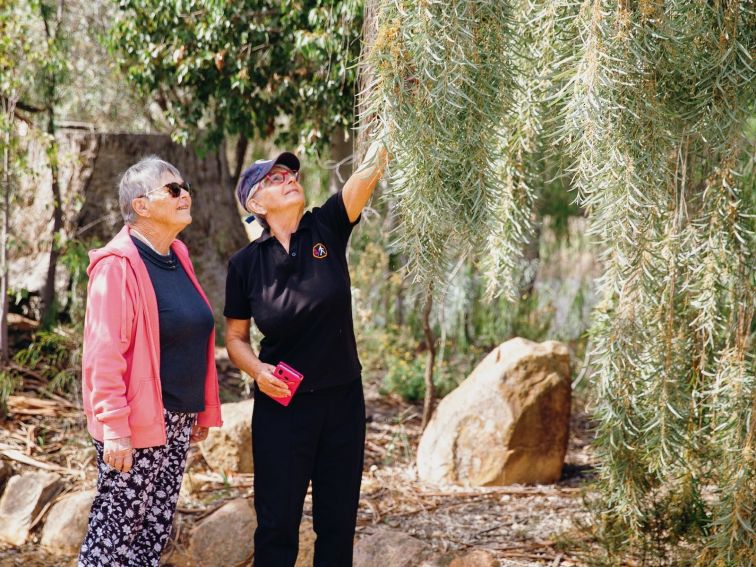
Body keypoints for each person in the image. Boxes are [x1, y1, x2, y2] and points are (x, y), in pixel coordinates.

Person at [224, 141, 389, 566]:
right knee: (277, 527)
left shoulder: (327, 227)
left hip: (342, 402)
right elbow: (235, 339)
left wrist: (395, 113)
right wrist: (258, 371)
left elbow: (367, 175)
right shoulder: (245, 265)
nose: (289, 180)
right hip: (282, 408)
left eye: (291, 175)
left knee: (336, 526)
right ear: (255, 201)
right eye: (275, 179)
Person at [78, 156, 223, 567]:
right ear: (141, 205)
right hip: (134, 423)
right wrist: (115, 429)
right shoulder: (116, 265)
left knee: (150, 535)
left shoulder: (177, 255)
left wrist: (199, 411)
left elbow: (189, 334)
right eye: (173, 189)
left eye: (186, 186)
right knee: (113, 539)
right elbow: (103, 353)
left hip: (175, 418)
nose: (185, 195)